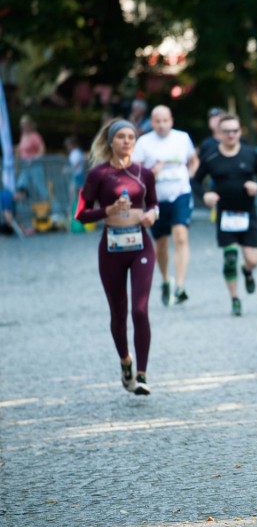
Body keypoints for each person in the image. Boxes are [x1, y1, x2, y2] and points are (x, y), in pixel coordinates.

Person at [74, 119, 159, 395]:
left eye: (130, 137)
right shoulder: (98, 175)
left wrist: (151, 215)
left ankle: (143, 375)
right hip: (111, 249)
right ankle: (125, 361)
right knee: (119, 313)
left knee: (140, 309)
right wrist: (107, 210)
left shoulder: (144, 173)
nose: (126, 141)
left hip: (140, 245)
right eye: (120, 137)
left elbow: (154, 203)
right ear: (110, 141)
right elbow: (81, 214)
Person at [193, 114, 257, 316]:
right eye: (227, 131)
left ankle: (248, 271)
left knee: (252, 260)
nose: (231, 135)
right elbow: (195, 181)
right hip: (225, 214)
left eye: (235, 131)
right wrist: (205, 194)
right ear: (220, 133)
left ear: (240, 131)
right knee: (230, 258)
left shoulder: (250, 153)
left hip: (248, 213)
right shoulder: (211, 157)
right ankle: (234, 298)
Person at [131, 105, 198, 306]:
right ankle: (165, 279)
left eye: (165, 121)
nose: (161, 125)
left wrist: (190, 176)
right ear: (152, 122)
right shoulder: (143, 142)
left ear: (172, 120)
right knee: (161, 244)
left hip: (180, 193)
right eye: (157, 121)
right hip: (156, 198)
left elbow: (194, 160)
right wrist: (151, 172)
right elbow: (135, 171)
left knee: (181, 236)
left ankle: (180, 285)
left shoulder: (182, 138)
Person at [14, 115, 48, 202]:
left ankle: (56, 209)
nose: (23, 127)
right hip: (25, 166)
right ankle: (25, 208)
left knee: (41, 188)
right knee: (20, 186)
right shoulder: (23, 136)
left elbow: (42, 149)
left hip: (35, 166)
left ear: (29, 125)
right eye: (22, 125)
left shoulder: (35, 136)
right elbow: (21, 150)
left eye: (25, 124)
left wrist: (33, 159)